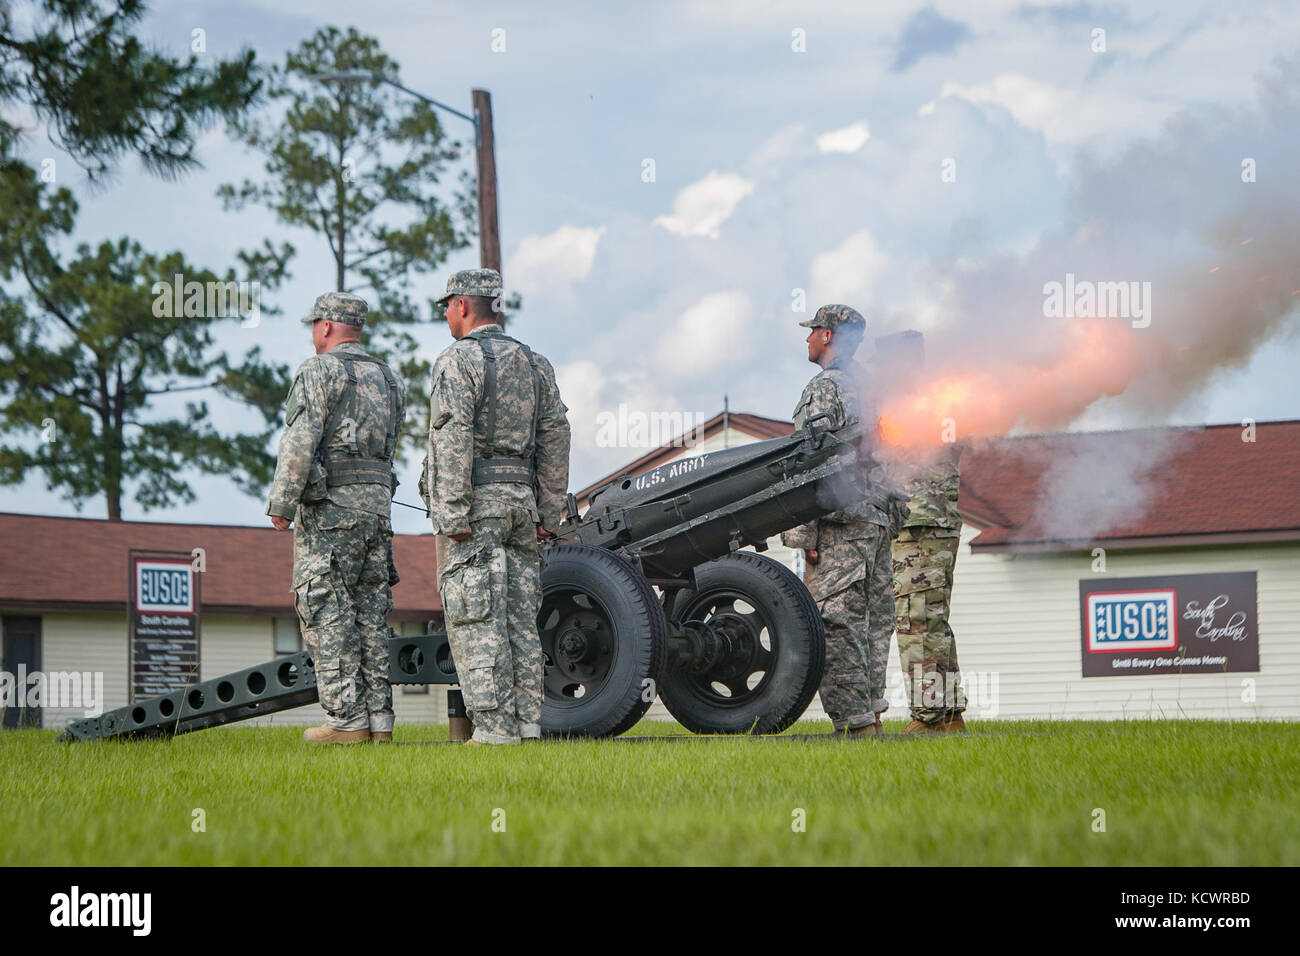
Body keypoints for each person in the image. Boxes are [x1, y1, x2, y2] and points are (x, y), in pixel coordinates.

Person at [424, 269, 570, 746]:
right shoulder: (535, 363)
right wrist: (550, 512)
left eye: (447, 304)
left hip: (476, 510)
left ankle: (492, 733)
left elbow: (452, 438)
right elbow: (555, 436)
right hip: (522, 507)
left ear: (464, 305)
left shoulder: (456, 361)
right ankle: (528, 728)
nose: (445, 313)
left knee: (476, 618)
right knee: (519, 622)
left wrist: (451, 512)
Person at [266, 292, 406, 744]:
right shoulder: (388, 377)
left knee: (327, 608)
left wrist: (282, 503)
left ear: (326, 326)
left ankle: (346, 722)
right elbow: (390, 441)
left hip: (330, 511)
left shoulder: (317, 371)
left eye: (314, 325)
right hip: (378, 509)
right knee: (370, 612)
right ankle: (379, 723)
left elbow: (300, 439)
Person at [779, 304, 894, 735]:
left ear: (827, 337)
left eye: (812, 332)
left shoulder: (826, 388)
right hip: (878, 521)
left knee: (834, 618)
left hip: (842, 523)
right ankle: (873, 716)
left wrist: (804, 529)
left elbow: (813, 460)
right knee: (873, 621)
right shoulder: (874, 388)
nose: (807, 339)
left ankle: (855, 725)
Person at [874, 331, 967, 733]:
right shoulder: (944, 400)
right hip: (930, 521)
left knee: (916, 621)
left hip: (919, 523)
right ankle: (948, 716)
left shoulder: (915, 408)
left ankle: (929, 719)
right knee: (931, 620)